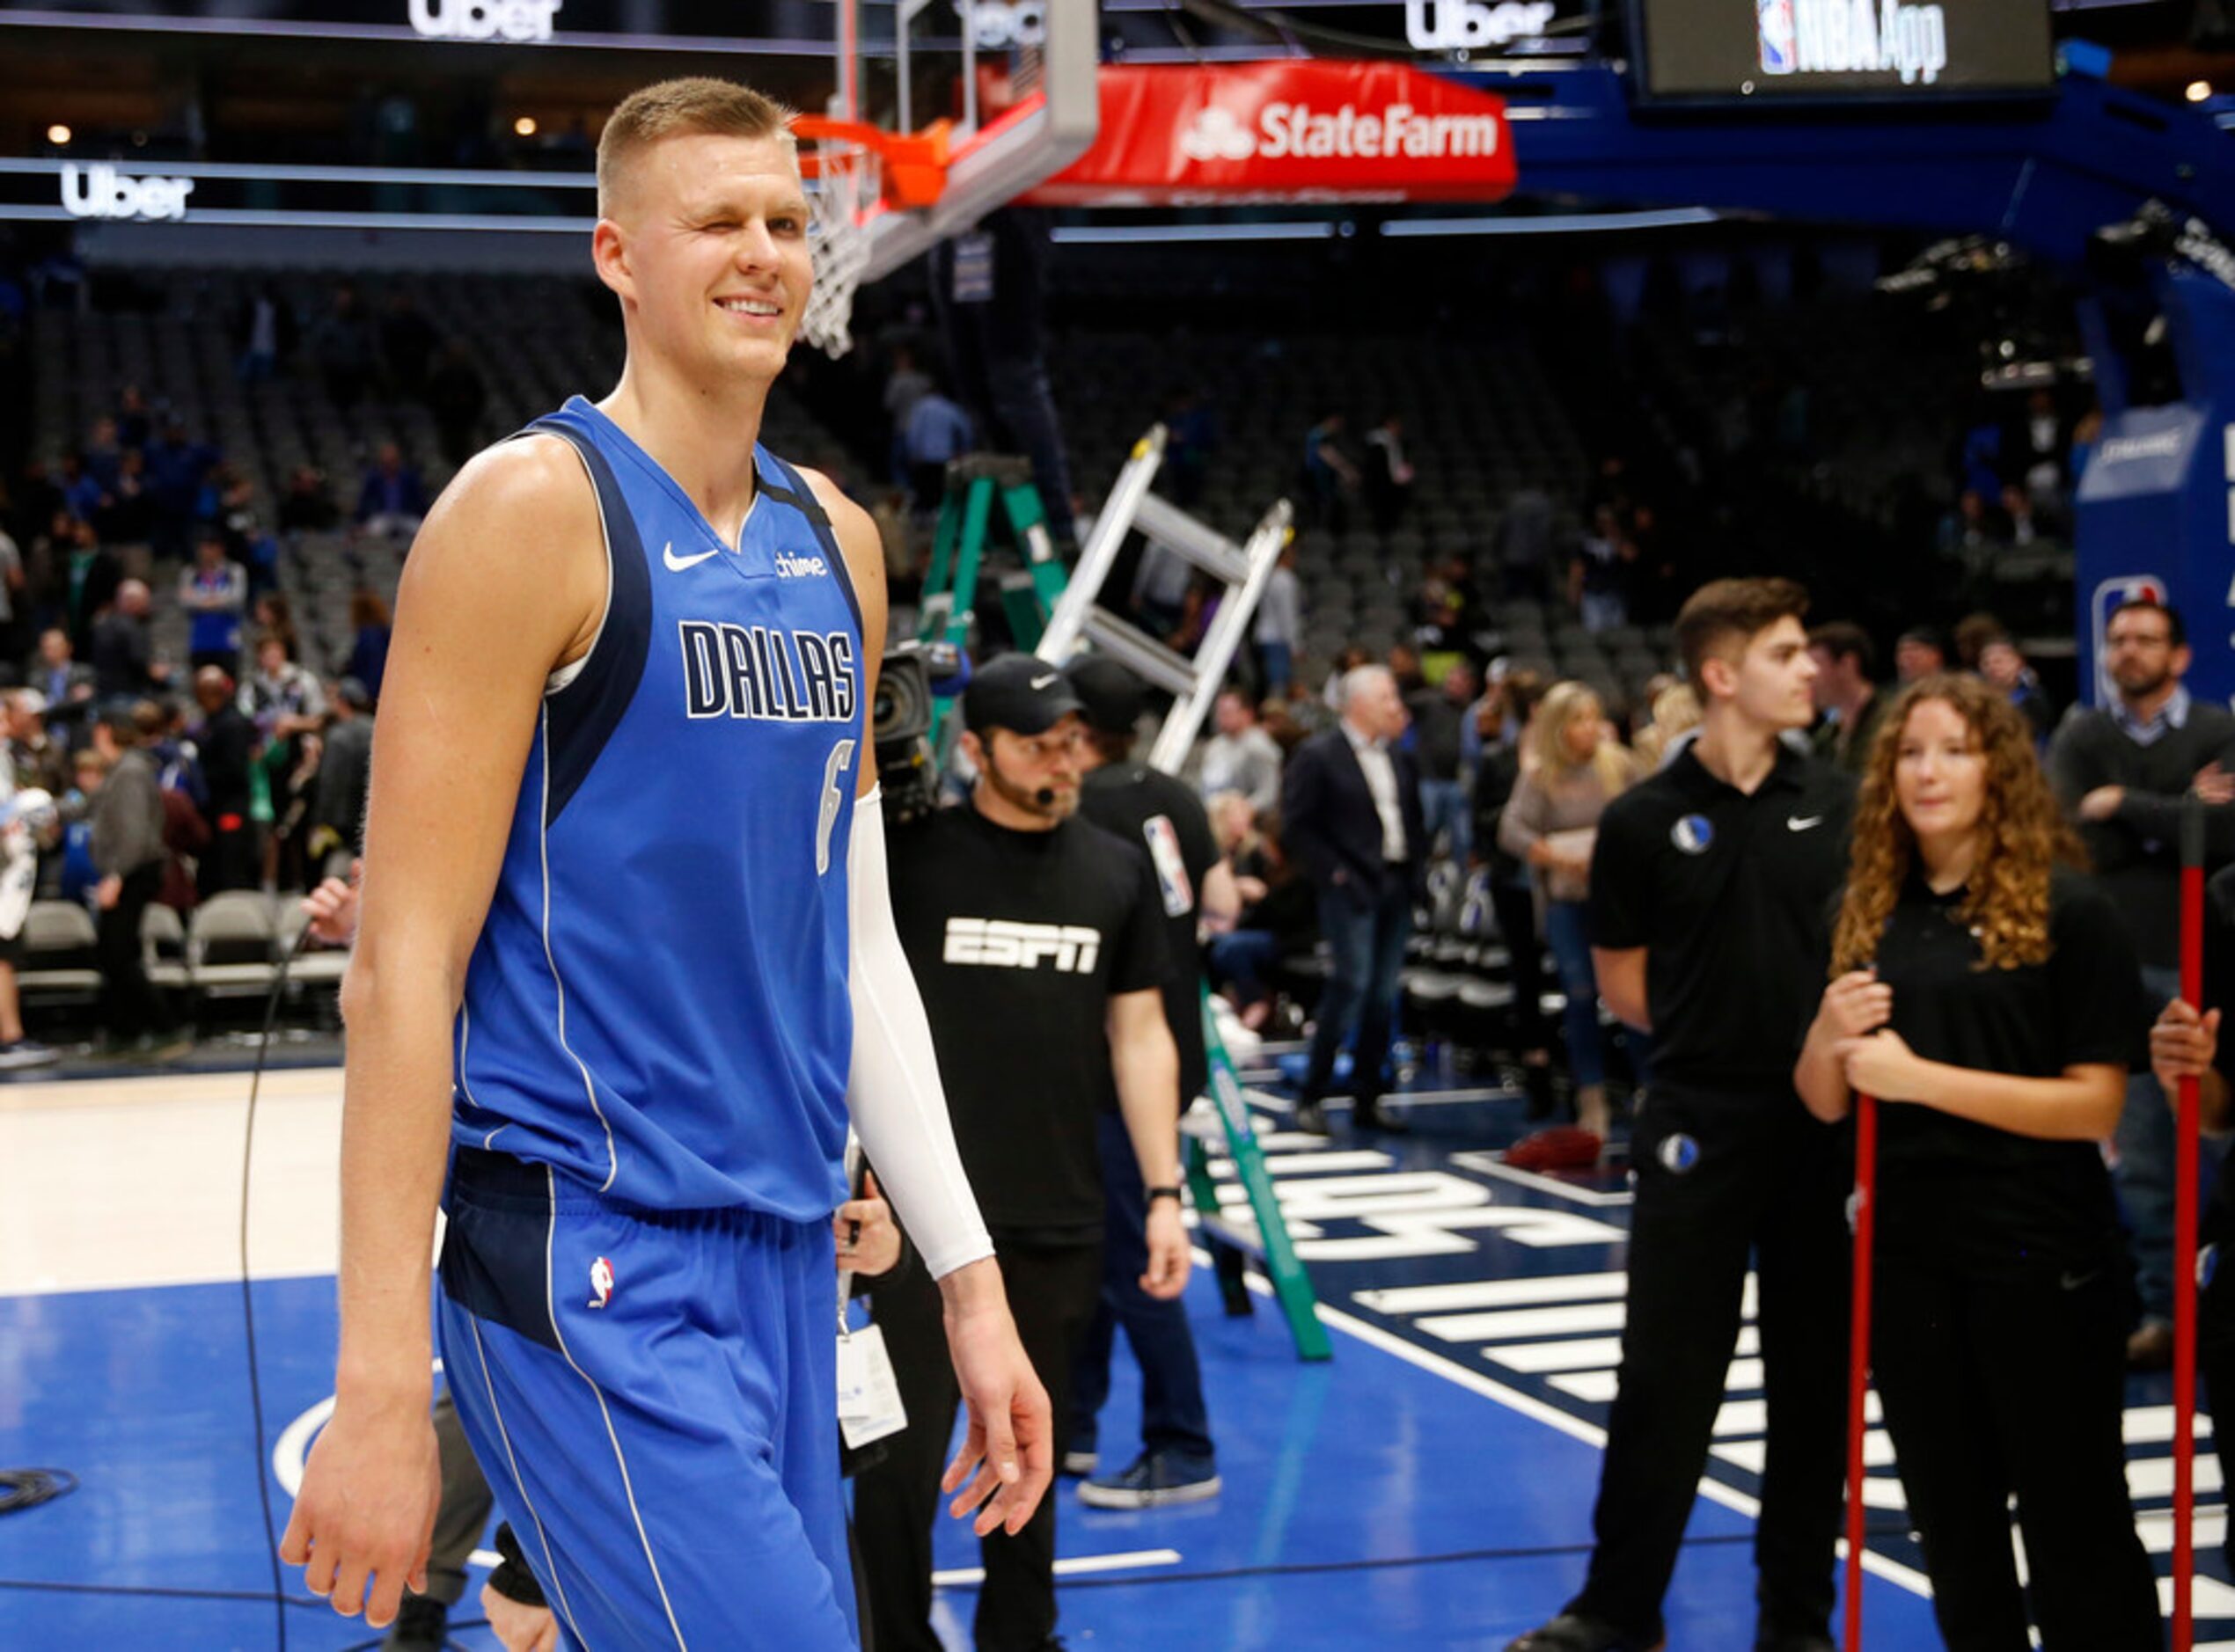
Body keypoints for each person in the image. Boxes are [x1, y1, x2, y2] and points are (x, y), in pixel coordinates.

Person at [279, 77, 1050, 1646]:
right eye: (717, 222)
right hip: (591, 1259)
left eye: (784, 221)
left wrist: (968, 1279)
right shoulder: (528, 514)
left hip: (787, 1254)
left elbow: (855, 943)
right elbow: (400, 969)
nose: (763, 251)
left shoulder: (835, 541)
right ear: (619, 254)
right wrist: (375, 1394)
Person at [1507, 578, 1855, 1652]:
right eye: (1786, 652)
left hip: (1822, 1122)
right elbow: (1619, 982)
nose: (1809, 668)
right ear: (1720, 673)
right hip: (1694, 1117)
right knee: (1662, 1377)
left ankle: (1792, 1621)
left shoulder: (1840, 802)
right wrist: (1722, 1031)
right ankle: (1617, 1610)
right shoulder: (1642, 820)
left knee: (1814, 1382)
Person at [1793, 675, 2159, 1650]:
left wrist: (1917, 1078)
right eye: (1909, 753)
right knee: (1954, 1535)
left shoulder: (2067, 909)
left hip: (2041, 1258)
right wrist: (1825, 1038)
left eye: (1953, 750)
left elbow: (2094, 1101)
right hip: (1910, 1262)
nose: (1927, 772)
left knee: (2073, 1528)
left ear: (1995, 768)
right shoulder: (1866, 909)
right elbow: (1823, 1098)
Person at [856, 654, 1191, 1652]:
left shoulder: (1115, 869)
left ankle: (1020, 1637)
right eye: (1037, 742)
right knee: (895, 1466)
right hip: (916, 1222)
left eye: (1073, 740)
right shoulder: (909, 859)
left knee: (1025, 1456)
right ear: (973, 750)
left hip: (1055, 1213)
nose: (1063, 759)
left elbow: (1140, 1037)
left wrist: (1166, 1191)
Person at [2047, 595, 2235, 1368]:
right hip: (2119, 964)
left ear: (2180, 656)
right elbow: (2071, 836)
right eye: (2118, 638)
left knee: (2220, 1136)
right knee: (2144, 1155)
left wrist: (2125, 803)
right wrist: (2179, 814)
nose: (2129, 650)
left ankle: (2216, 1296)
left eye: (2147, 639)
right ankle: (2164, 1310)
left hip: (2209, 959)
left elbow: (2225, 835)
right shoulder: (2081, 734)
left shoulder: (2220, 730)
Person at [1065, 654, 1233, 1509]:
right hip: (1180, 1038)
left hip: (1119, 1060)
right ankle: (1076, 1422)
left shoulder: (1080, 807)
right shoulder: (1175, 793)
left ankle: (1182, 1441)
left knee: (1134, 1249)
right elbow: (1226, 904)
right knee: (1103, 1241)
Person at [1282, 663, 1426, 1137]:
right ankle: (1312, 1093)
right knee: (1350, 986)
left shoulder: (1400, 758)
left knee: (1383, 997)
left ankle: (1369, 1095)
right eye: (1387, 698)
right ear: (1359, 704)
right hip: (1351, 888)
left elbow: (1413, 820)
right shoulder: (1319, 755)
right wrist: (1334, 874)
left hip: (1395, 884)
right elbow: (1298, 823)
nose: (1396, 707)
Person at [1499, 682, 1638, 1146]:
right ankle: (1590, 1094)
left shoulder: (1619, 764)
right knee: (1580, 993)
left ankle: (1649, 1092)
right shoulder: (1540, 776)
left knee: (1631, 996)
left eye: (1593, 717)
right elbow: (1512, 831)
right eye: (1578, 720)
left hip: (1617, 895)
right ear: (1559, 728)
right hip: (1566, 899)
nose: (1589, 728)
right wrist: (1553, 855)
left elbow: (1648, 816)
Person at [86, 705, 172, 1052]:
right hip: (125, 872)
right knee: (113, 952)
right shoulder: (120, 770)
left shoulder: (130, 772)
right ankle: (126, 1031)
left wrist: (116, 877)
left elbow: (134, 834)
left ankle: (165, 1027)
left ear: (106, 730)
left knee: (119, 954)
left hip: (132, 873)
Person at [1806, 620, 1884, 777]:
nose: (1808, 675)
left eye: (1815, 664)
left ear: (1847, 664)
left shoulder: (1891, 723)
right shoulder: (1826, 736)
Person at [1199, 688, 1283, 816]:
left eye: (1228, 713)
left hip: (1244, 822)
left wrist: (1242, 811)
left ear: (1247, 714)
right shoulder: (1215, 745)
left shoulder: (1259, 747)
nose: (1221, 718)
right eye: (1220, 713)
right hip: (1212, 814)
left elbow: (1268, 794)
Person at [180, 532, 248, 676]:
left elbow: (236, 600)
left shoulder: (234, 571)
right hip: (200, 643)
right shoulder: (190, 573)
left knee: (228, 688)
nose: (205, 552)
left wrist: (202, 601)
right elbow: (185, 602)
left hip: (227, 643)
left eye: (210, 548)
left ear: (219, 549)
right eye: (203, 548)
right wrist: (219, 600)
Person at [1253, 540, 1302, 699]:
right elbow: (1286, 615)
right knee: (1277, 688)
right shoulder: (1284, 579)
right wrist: (1294, 645)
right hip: (1277, 639)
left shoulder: (1267, 576)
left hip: (1263, 636)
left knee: (1267, 685)